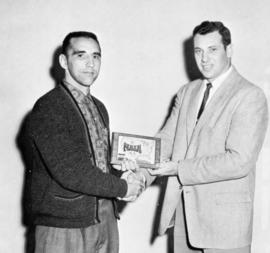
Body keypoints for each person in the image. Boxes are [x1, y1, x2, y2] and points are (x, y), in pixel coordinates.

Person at [133, 21, 268, 253]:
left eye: (212, 50)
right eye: (198, 51)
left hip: (225, 227)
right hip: (184, 219)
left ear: (229, 50)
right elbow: (165, 140)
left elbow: (239, 161)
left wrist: (179, 169)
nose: (204, 58)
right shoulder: (187, 92)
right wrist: (139, 177)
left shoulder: (249, 95)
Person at [22, 31, 145, 253]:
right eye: (81, 55)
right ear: (63, 61)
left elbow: (95, 165)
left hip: (105, 217)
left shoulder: (99, 108)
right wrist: (123, 187)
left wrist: (121, 172)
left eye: (96, 56)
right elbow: (71, 171)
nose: (91, 64)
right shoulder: (49, 107)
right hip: (63, 225)